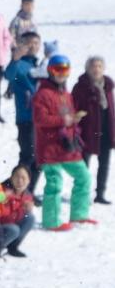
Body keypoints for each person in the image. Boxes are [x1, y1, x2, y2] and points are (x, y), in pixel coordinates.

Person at [33, 54, 94, 231]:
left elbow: (68, 118)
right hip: (49, 147)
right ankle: (52, 222)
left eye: (65, 70)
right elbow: (40, 119)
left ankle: (79, 214)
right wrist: (65, 120)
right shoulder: (42, 94)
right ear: (50, 71)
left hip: (68, 146)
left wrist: (74, 123)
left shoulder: (66, 94)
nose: (61, 73)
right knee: (55, 183)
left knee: (84, 177)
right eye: (58, 69)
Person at [5, 31, 43, 197]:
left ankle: (28, 192)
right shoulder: (20, 64)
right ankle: (15, 191)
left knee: (38, 158)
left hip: (42, 120)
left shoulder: (39, 64)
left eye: (36, 43)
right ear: (22, 45)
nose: (33, 46)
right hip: (26, 118)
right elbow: (8, 75)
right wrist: (15, 59)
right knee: (28, 156)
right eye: (29, 43)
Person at [72, 56, 114, 205]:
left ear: (103, 69)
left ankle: (100, 194)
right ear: (87, 68)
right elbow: (73, 108)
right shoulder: (81, 87)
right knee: (83, 165)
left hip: (106, 131)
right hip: (87, 132)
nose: (96, 69)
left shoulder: (108, 86)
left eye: (99, 66)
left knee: (104, 164)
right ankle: (81, 194)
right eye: (93, 66)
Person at [0, 165, 36, 256]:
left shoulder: (27, 195)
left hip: (11, 226)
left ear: (29, 181)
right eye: (17, 177)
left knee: (30, 217)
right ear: (11, 178)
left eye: (23, 178)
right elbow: (2, 216)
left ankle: (13, 247)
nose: (20, 181)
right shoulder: (2, 191)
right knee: (14, 229)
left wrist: (25, 209)